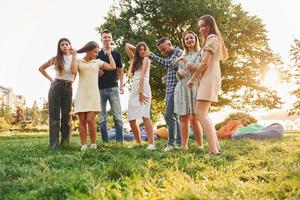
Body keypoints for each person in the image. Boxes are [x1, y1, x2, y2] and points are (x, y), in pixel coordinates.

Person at [187, 15, 228, 155]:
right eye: (200, 26)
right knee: (204, 114)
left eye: (204, 25)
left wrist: (192, 79)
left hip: (209, 78)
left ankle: (213, 150)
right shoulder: (212, 39)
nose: (202, 29)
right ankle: (215, 148)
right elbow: (203, 62)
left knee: (200, 114)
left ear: (211, 25)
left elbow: (205, 63)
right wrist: (193, 67)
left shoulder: (212, 38)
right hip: (209, 78)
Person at [70, 41, 116, 151]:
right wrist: (74, 56)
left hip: (93, 94)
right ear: (88, 51)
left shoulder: (98, 62)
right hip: (81, 94)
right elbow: (72, 71)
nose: (97, 54)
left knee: (90, 120)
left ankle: (94, 143)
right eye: (95, 52)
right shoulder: (79, 61)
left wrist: (109, 54)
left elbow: (113, 67)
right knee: (82, 121)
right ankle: (84, 144)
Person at [39, 38, 74, 149]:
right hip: (56, 87)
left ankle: (65, 144)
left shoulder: (74, 58)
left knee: (66, 117)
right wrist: (51, 79)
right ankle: (54, 145)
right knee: (54, 117)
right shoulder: (55, 59)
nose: (64, 46)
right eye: (62, 45)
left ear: (70, 46)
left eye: (66, 44)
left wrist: (73, 80)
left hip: (68, 88)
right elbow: (41, 68)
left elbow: (75, 72)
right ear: (59, 47)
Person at [149, 37, 182, 151]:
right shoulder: (170, 55)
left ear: (169, 43)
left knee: (168, 116)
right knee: (175, 117)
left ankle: (171, 143)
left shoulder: (178, 52)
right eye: (161, 51)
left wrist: (151, 55)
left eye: (163, 49)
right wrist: (167, 77)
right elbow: (175, 69)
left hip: (175, 90)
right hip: (169, 89)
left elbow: (168, 64)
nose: (163, 52)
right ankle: (178, 142)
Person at [173, 31, 203, 149]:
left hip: (194, 87)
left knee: (195, 119)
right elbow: (179, 75)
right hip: (182, 88)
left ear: (195, 39)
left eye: (191, 38)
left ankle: (200, 145)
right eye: (186, 39)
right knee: (183, 118)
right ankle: (184, 145)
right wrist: (178, 72)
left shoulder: (200, 54)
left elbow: (197, 69)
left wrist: (185, 61)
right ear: (184, 42)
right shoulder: (182, 56)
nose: (189, 40)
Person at [125, 42, 156, 150]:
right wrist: (137, 49)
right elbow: (127, 45)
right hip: (134, 88)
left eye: (144, 49)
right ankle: (138, 143)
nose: (142, 51)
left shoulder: (147, 59)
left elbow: (142, 76)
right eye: (140, 49)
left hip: (144, 88)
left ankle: (151, 144)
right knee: (131, 118)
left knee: (145, 115)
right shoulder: (135, 60)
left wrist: (141, 93)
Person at [97, 30, 124, 144]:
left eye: (109, 37)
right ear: (101, 39)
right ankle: (105, 142)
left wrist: (121, 86)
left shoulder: (117, 54)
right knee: (102, 119)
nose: (107, 39)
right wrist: (96, 73)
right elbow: (93, 69)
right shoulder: (97, 54)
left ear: (111, 39)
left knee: (117, 116)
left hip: (113, 88)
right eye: (105, 37)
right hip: (99, 89)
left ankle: (119, 142)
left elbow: (121, 72)